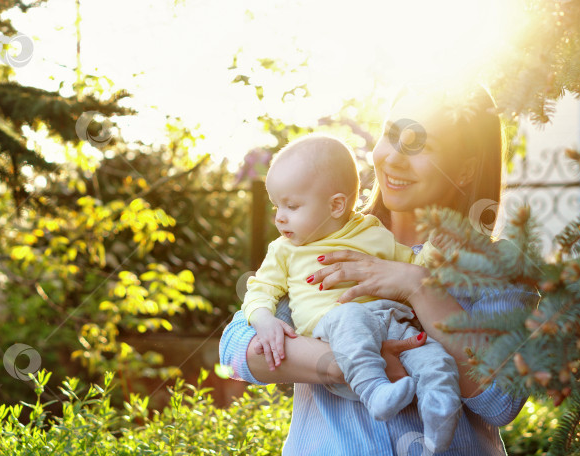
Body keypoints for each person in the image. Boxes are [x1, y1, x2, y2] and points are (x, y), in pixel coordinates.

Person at [220, 83, 540, 455]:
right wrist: (347, 365)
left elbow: (501, 400)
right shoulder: (324, 238)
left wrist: (418, 286)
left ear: (465, 171)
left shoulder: (496, 267)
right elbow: (238, 350)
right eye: (392, 135)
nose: (394, 158)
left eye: (421, 145)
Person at [242, 134, 461, 452]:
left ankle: (439, 424)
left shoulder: (372, 232)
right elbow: (259, 289)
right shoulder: (285, 250)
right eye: (277, 206)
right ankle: (376, 392)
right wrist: (264, 321)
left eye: (291, 206)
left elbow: (413, 265)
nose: (279, 217)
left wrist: (435, 251)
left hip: (389, 322)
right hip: (334, 330)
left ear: (336, 205)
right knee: (351, 315)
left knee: (434, 358)